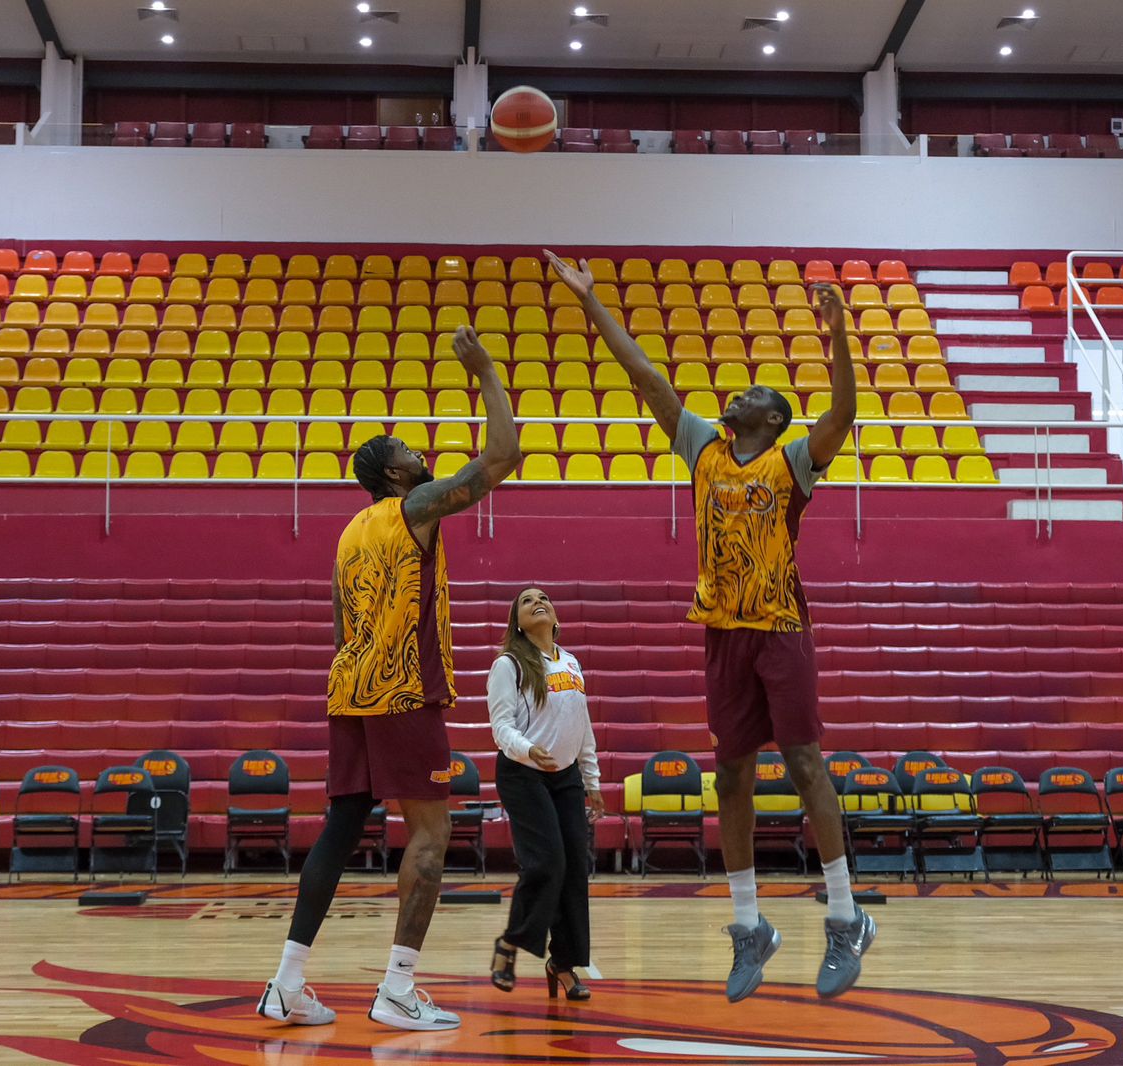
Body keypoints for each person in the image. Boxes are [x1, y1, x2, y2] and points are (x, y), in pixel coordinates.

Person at [544, 250, 873, 1003]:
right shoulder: (704, 446)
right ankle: (750, 925)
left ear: (774, 418)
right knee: (728, 775)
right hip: (723, 629)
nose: (739, 390)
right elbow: (645, 378)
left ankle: (846, 915)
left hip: (781, 626)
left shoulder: (793, 459)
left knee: (804, 762)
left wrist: (839, 333)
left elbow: (845, 414)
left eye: (756, 390)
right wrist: (593, 303)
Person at [257, 325, 520, 1031]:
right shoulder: (415, 509)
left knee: (340, 830)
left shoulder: (349, 534)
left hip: (350, 690)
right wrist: (487, 369)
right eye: (408, 450)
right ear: (395, 473)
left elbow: (344, 630)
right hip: (404, 692)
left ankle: (286, 982)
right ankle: (398, 987)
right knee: (431, 836)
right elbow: (502, 456)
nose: (419, 452)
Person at [485, 586, 603, 1001]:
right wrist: (526, 749)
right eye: (526, 600)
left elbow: (582, 726)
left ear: (555, 617)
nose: (537, 601)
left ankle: (564, 964)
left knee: (574, 867)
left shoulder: (571, 662)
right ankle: (510, 945)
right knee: (546, 861)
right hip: (523, 774)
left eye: (544, 598)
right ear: (517, 621)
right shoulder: (509, 664)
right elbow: (501, 727)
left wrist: (592, 781)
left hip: (566, 776)